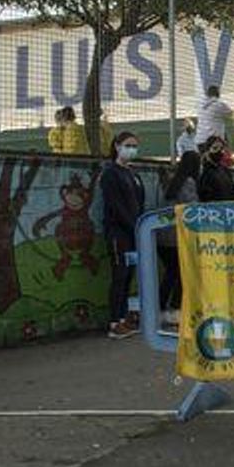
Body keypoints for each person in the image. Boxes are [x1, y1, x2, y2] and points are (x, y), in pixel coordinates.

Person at [102, 130, 146, 339]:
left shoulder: (132, 173)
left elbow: (139, 202)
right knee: (119, 276)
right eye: (128, 145)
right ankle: (114, 322)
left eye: (134, 146)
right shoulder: (111, 173)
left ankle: (123, 318)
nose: (132, 149)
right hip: (118, 233)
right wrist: (133, 226)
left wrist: (140, 226)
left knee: (128, 276)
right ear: (117, 146)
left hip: (133, 233)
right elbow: (116, 205)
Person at [196, 136, 234, 203]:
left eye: (221, 148)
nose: (219, 151)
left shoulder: (225, 170)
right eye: (215, 148)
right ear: (207, 150)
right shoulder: (203, 172)